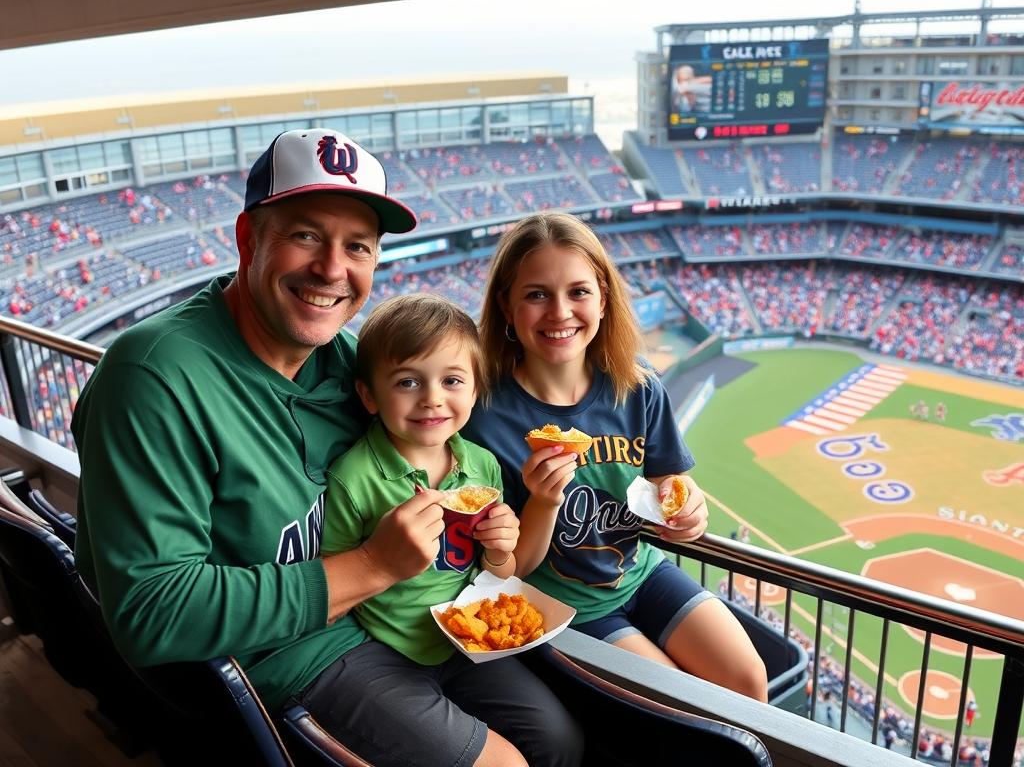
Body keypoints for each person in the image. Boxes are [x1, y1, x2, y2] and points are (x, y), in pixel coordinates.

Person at [72, 129, 582, 766]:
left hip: (387, 621)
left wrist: (532, 497)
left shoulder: (347, 360)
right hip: (277, 658)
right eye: (306, 235)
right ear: (248, 239)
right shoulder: (153, 376)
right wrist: (372, 566)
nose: (332, 270)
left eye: (358, 247)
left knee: (558, 741)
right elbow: (153, 612)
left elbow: (443, 424)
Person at [463, 212, 768, 701]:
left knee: (748, 680)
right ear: (506, 305)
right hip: (567, 605)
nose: (560, 311)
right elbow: (507, 568)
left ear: (604, 299)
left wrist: (689, 509)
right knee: (684, 700)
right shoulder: (481, 414)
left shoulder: (638, 383)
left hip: (642, 571)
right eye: (536, 294)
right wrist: (542, 499)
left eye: (578, 292)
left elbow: (670, 482)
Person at [319, 294, 576, 765]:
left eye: (452, 380)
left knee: (559, 740)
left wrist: (500, 550)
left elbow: (497, 573)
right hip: (387, 649)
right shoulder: (353, 478)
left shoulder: (483, 465)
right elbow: (330, 583)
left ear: (475, 390)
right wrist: (381, 555)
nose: (432, 397)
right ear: (370, 395)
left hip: (467, 648)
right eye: (408, 381)